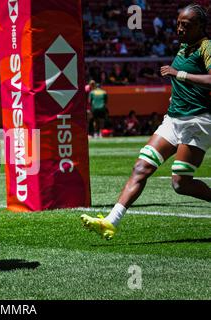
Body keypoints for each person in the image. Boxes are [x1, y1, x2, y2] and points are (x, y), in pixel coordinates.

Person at [81, 4, 211, 240]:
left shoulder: (206, 46)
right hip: (173, 120)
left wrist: (178, 74)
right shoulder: (184, 47)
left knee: (180, 184)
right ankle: (111, 221)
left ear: (201, 26)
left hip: (197, 121)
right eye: (179, 23)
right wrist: (178, 90)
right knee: (141, 168)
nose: (180, 29)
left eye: (187, 25)